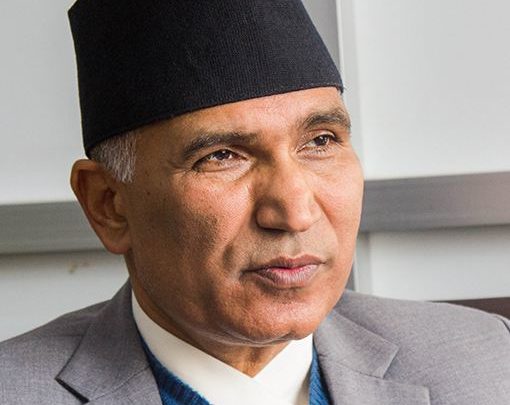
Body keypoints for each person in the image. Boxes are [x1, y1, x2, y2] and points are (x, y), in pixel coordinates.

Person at [1, 1, 509, 404]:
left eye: (321, 141)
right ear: (109, 205)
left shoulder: (488, 361)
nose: (295, 212)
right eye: (222, 156)